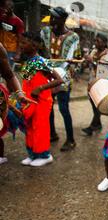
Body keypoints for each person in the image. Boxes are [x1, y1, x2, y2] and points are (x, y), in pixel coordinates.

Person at [19, 32, 64, 167]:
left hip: (42, 101)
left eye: (24, 43)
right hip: (29, 101)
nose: (21, 46)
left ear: (34, 46)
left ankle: (45, 155)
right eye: (21, 43)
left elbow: (59, 80)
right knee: (30, 127)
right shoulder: (27, 61)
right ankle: (32, 154)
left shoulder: (41, 61)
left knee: (40, 127)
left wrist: (40, 88)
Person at [41, 6, 80, 152]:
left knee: (64, 108)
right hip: (47, 74)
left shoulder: (73, 37)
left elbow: (75, 57)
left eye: (54, 17)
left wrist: (69, 69)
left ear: (63, 19)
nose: (51, 20)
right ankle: (52, 134)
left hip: (64, 76)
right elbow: (41, 50)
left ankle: (71, 140)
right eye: (51, 17)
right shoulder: (45, 32)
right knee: (49, 106)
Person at [82, 33, 108, 136]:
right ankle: (98, 124)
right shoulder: (94, 52)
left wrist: (93, 62)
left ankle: (92, 127)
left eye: (98, 41)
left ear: (104, 43)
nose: (96, 43)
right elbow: (87, 65)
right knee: (93, 104)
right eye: (95, 41)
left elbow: (105, 71)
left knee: (97, 106)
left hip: (101, 84)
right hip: (92, 82)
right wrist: (85, 60)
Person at [0, 0, 24, 67]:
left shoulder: (18, 22)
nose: (5, 10)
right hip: (1, 47)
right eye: (4, 8)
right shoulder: (2, 17)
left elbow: (20, 39)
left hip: (11, 50)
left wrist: (18, 53)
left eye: (7, 8)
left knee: (7, 70)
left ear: (12, 9)